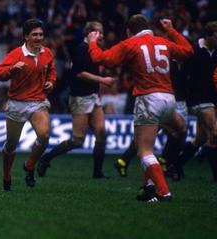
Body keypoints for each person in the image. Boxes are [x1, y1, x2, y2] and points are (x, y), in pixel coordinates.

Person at [88, 15, 193, 202]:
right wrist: (171, 30)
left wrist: (93, 42)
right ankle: (148, 187)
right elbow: (188, 51)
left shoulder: (130, 43)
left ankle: (163, 191)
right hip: (169, 99)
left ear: (129, 31)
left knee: (144, 151)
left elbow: (102, 59)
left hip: (148, 99)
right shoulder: (163, 41)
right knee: (180, 129)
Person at [37, 21, 114, 179]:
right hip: (80, 97)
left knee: (101, 133)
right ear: (89, 33)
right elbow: (80, 73)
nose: (102, 35)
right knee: (78, 140)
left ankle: (97, 173)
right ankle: (45, 159)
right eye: (98, 32)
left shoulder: (94, 49)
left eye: (102, 32)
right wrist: (102, 80)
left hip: (93, 96)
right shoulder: (81, 49)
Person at [0, 19, 56, 191]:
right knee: (12, 145)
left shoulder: (47, 53)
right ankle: (7, 174)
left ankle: (29, 165)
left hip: (38, 102)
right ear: (26, 36)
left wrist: (51, 82)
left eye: (41, 34)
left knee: (44, 136)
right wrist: (12, 69)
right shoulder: (16, 54)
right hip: (17, 104)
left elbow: (51, 71)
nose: (38, 37)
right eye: (34, 34)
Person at [177, 21, 217, 181]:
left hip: (212, 99)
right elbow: (182, 77)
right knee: (215, 133)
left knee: (200, 138)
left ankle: (176, 165)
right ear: (208, 36)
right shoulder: (193, 51)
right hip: (198, 100)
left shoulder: (215, 52)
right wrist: (184, 98)